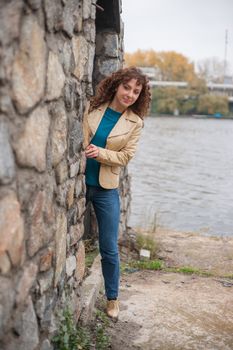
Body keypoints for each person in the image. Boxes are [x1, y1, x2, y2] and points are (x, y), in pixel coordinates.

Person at [82, 66, 151, 319]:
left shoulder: (135, 123)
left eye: (136, 91)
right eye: (127, 87)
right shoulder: (91, 106)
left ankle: (112, 299)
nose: (130, 94)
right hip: (78, 185)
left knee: (109, 247)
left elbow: (125, 156)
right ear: (116, 85)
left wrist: (100, 153)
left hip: (105, 189)